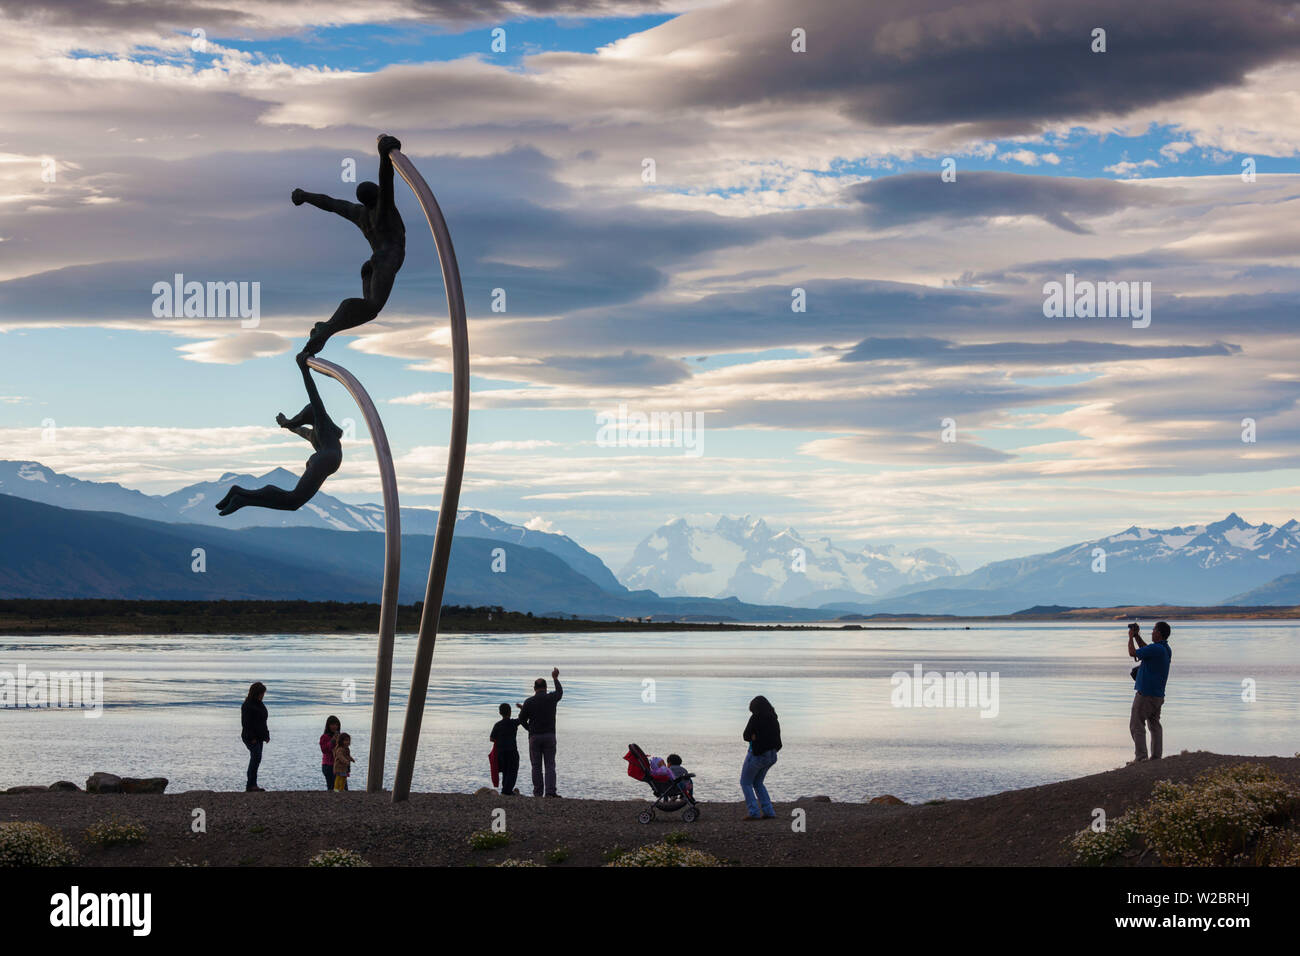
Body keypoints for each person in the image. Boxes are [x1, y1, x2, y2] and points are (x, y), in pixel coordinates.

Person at [291, 133, 406, 358]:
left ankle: (329, 326)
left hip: (372, 265)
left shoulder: (359, 214)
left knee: (367, 307)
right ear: (378, 195)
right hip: (386, 259)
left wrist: (304, 195)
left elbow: (331, 203)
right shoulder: (385, 210)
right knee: (372, 308)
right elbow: (387, 179)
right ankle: (328, 329)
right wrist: (384, 154)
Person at [215, 352, 343, 516]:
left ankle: (243, 499)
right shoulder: (323, 425)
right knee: (293, 500)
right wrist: (304, 370)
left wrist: (286, 422)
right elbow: (314, 395)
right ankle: (241, 494)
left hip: (320, 460)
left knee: (292, 502)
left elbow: (297, 429)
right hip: (327, 459)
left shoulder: (313, 434)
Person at [1128, 621, 1172, 762]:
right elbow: (1145, 649)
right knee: (1154, 725)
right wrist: (1137, 637)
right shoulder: (1164, 649)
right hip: (1158, 695)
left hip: (1146, 694)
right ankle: (1156, 757)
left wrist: (1130, 637)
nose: (1152, 632)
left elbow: (1133, 653)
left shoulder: (1156, 649)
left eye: (1153, 630)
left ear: (1158, 633)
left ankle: (1141, 758)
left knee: (1136, 724)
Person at [518, 667, 563, 797]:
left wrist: (529, 729)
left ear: (534, 688)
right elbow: (560, 692)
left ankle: (537, 793)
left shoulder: (529, 702)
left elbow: (521, 719)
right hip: (549, 736)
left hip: (534, 737)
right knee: (550, 765)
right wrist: (555, 678)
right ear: (546, 687)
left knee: (536, 766)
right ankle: (550, 793)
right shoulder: (551, 698)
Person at [740, 695, 781, 820]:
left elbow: (746, 735)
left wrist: (754, 737)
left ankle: (754, 812)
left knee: (745, 782)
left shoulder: (756, 718)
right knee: (758, 783)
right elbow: (777, 739)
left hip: (757, 754)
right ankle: (769, 811)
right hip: (772, 755)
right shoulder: (774, 718)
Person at [240, 682, 270, 792]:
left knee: (257, 759)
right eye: (262, 693)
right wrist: (252, 737)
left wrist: (266, 735)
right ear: (256, 693)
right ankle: (250, 785)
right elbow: (246, 723)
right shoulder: (247, 705)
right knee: (255, 757)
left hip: (260, 736)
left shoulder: (260, 704)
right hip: (249, 736)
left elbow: (263, 721)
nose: (263, 696)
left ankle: (253, 784)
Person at [490, 703, 522, 796]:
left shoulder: (497, 725)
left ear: (500, 713)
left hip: (501, 752)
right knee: (512, 771)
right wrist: (522, 708)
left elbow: (491, 738)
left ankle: (505, 790)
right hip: (512, 751)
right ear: (510, 712)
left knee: (505, 771)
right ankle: (507, 791)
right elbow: (522, 718)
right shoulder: (513, 723)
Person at [320, 715, 341, 791]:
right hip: (328, 766)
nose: (334, 726)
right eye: (332, 724)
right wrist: (333, 740)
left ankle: (342, 801)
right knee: (333, 788)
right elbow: (324, 750)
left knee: (343, 787)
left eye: (336, 724)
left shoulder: (340, 736)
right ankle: (333, 801)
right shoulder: (324, 737)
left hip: (339, 765)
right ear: (328, 726)